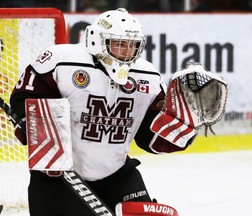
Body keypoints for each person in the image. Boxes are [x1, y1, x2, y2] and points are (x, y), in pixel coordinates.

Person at [10, 8, 226, 215]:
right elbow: (24, 99)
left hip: (117, 175)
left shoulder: (147, 76)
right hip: (58, 177)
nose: (127, 52)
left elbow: (148, 137)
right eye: (120, 44)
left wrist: (181, 126)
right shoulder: (61, 61)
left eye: (133, 45)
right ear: (97, 40)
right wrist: (31, 124)